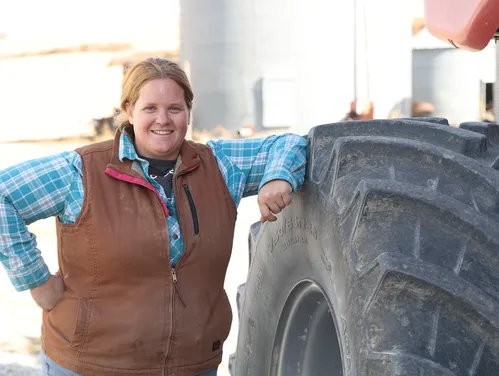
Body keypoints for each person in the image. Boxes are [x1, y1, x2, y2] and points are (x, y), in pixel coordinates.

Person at [0, 57, 307, 376]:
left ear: (189, 111)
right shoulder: (81, 172)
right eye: (150, 108)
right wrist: (36, 281)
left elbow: (291, 143)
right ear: (128, 110)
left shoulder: (221, 165)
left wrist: (278, 177)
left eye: (175, 108)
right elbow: (2, 194)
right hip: (93, 365)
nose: (164, 119)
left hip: (192, 365)